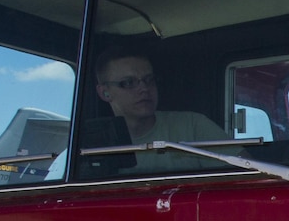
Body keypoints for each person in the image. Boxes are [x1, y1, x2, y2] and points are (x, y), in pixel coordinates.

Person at [92, 48, 228, 174]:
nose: (144, 88)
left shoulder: (193, 126)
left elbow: (240, 178)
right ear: (105, 92)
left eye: (149, 80)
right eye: (128, 82)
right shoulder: (93, 144)